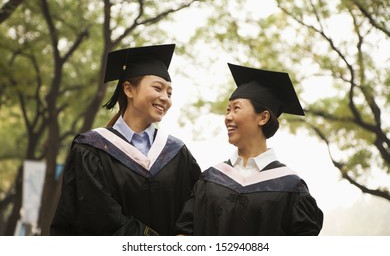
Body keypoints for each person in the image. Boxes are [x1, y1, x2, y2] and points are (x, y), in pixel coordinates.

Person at [50, 44, 201, 236]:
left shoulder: (177, 152)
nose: (165, 98)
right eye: (158, 88)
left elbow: (196, 205)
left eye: (169, 93)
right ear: (129, 90)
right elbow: (95, 216)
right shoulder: (91, 148)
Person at [175, 63, 323, 235]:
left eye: (236, 108)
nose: (228, 117)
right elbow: (184, 233)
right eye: (227, 110)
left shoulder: (290, 186)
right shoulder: (210, 179)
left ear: (263, 118)